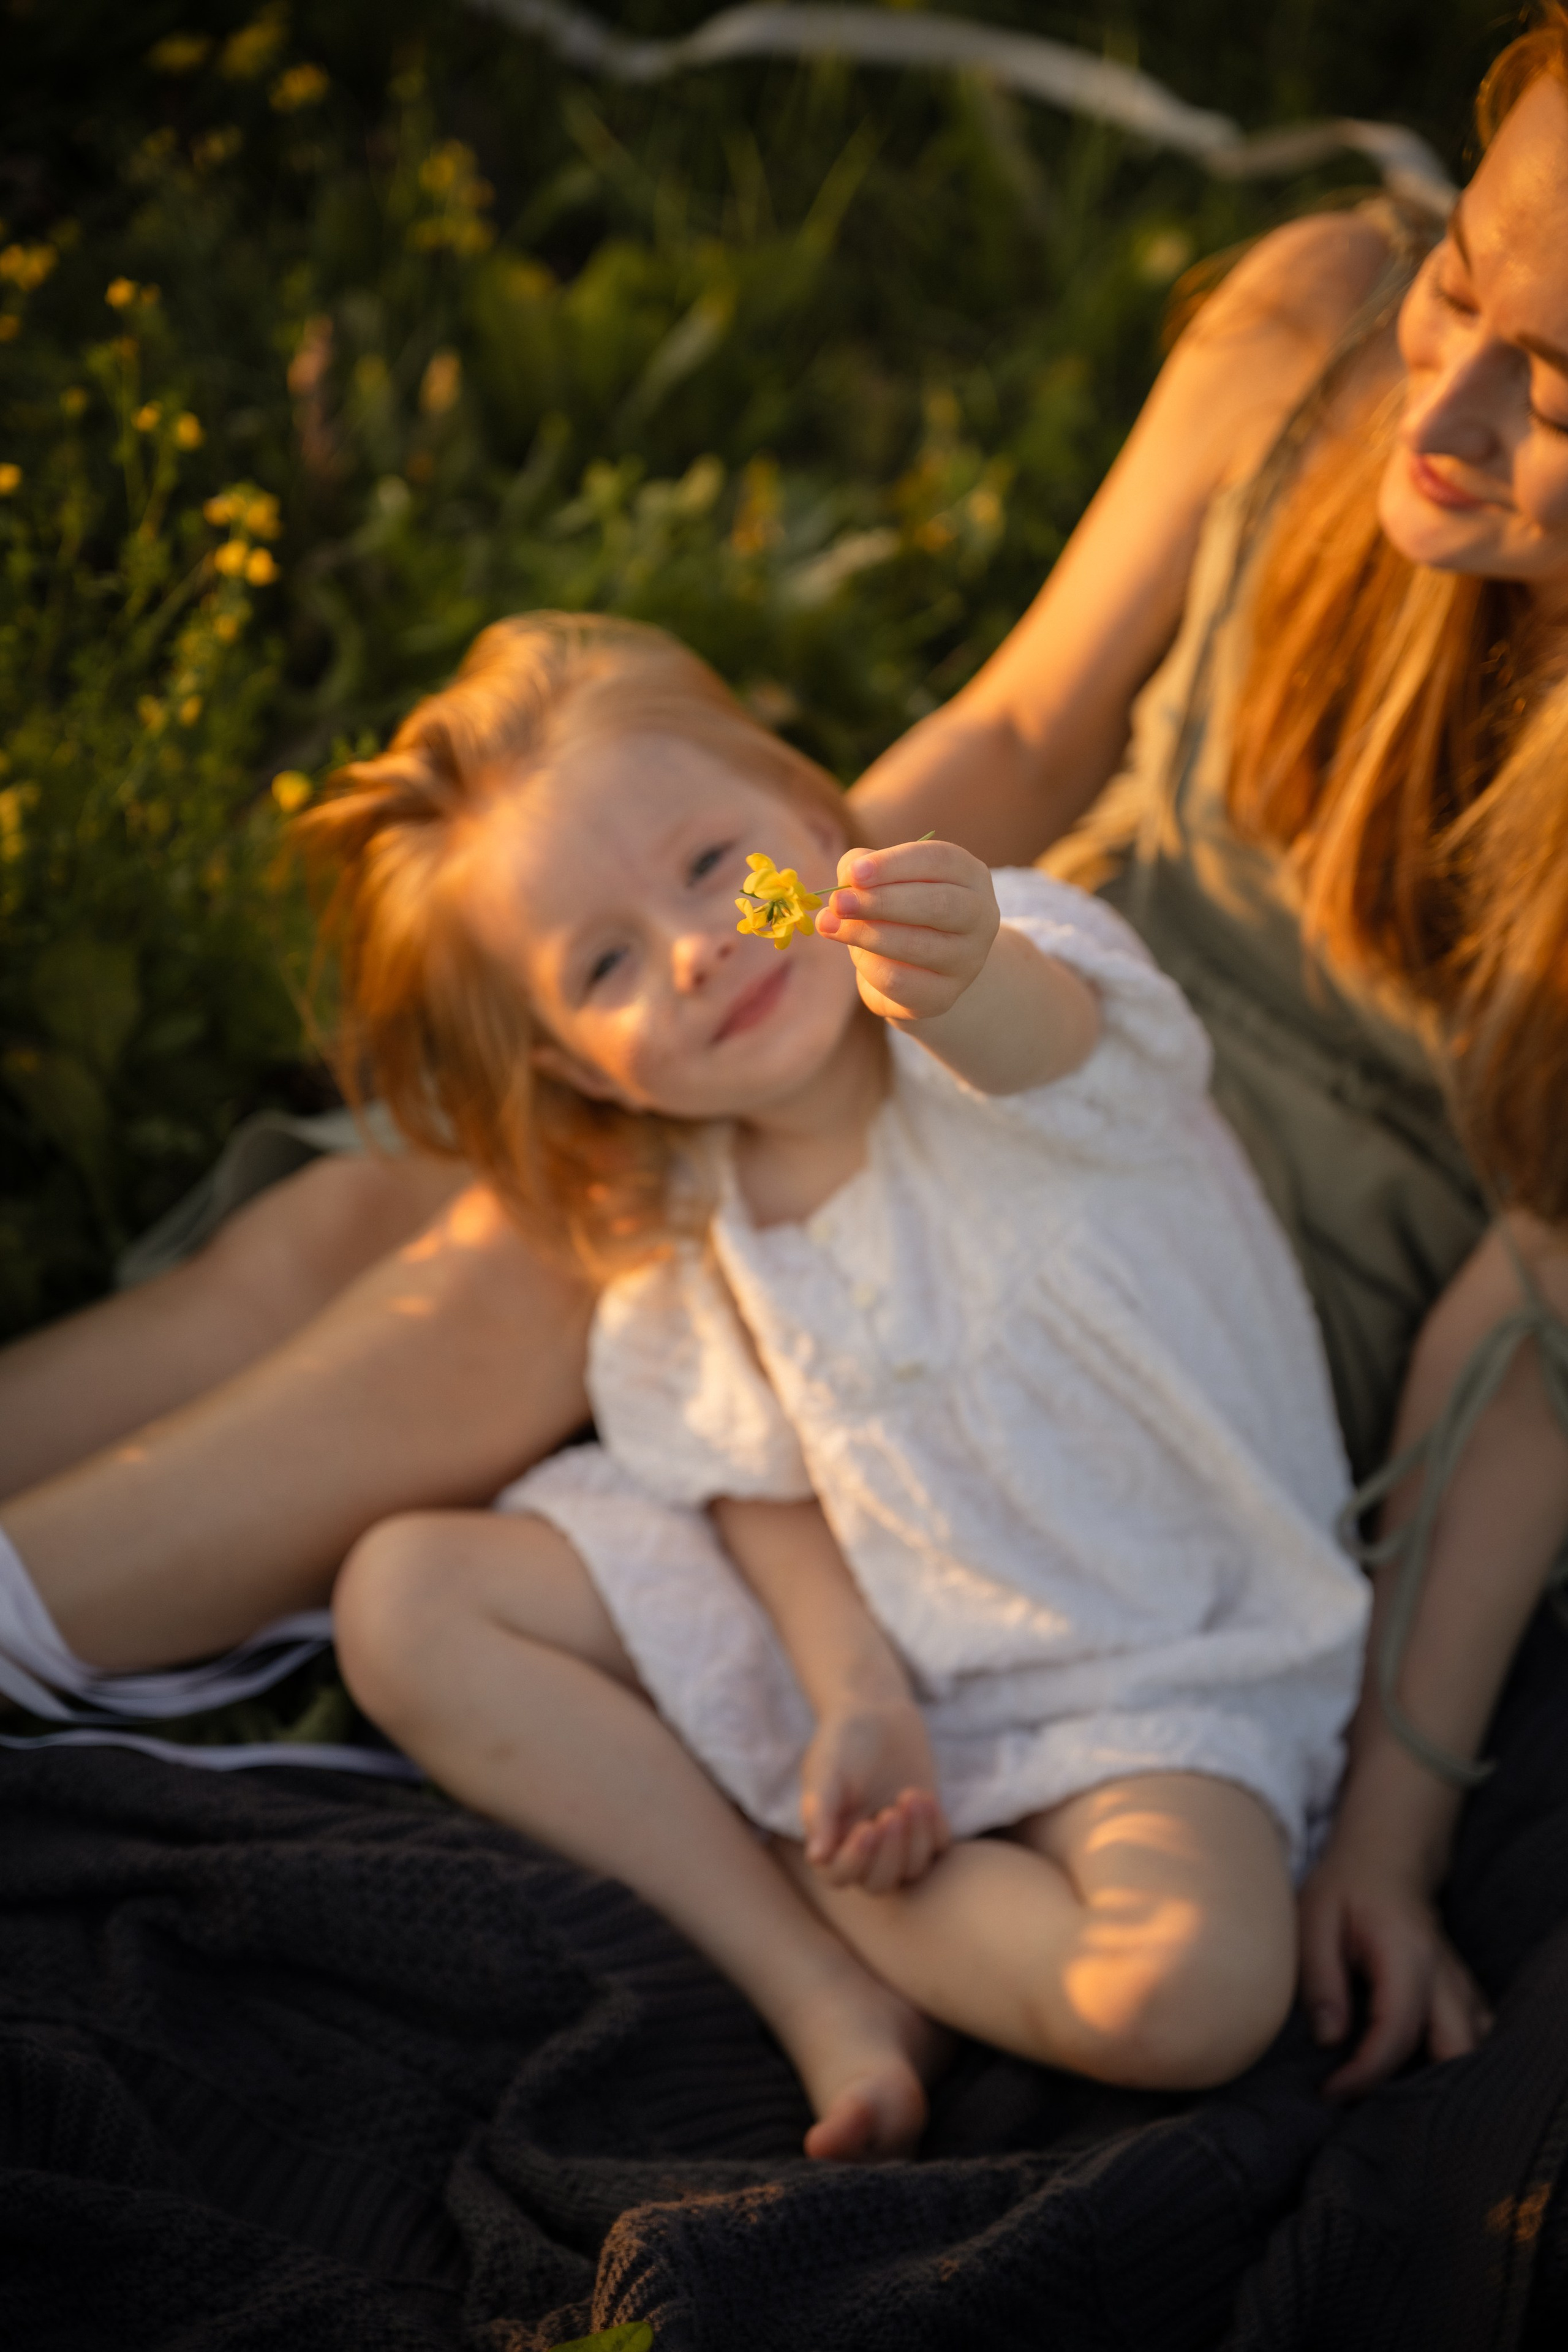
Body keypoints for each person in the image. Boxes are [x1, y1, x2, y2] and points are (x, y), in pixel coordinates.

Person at [2, 2, 1566, 2106]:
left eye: (1550, 384)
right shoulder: (1322, 330)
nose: (1444, 395)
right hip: (977, 971)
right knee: (403, 1204)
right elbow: (1023, 731)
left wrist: (1394, 1807)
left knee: (530, 1265)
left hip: (1182, 1247)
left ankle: (39, 1608)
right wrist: (782, 919)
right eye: (1463, 278)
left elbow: (1534, 1309)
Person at [297, 609, 1368, 2159]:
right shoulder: (688, 1229)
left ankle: (774, 1852)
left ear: (813, 824)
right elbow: (756, 1492)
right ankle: (816, 1979)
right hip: (879, 1655)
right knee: (403, 1599)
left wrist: (957, 968)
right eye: (603, 962)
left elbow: (1043, 1039)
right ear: (589, 1070)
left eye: (714, 866)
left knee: (1186, 1997)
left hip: (1157, 1675)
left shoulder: (1005, 988)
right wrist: (854, 1696)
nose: (696, 945)